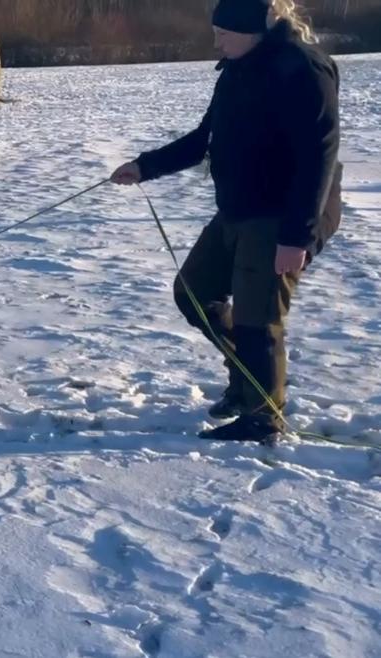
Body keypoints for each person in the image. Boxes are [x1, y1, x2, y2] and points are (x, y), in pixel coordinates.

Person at [111, 0, 342, 444]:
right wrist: (144, 166)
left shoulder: (303, 68)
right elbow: (205, 138)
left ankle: (263, 417)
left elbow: (320, 158)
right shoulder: (238, 67)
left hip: (284, 214)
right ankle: (246, 383)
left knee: (258, 318)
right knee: (195, 292)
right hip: (239, 208)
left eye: (223, 34)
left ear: (253, 30)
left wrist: (297, 237)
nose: (216, 42)